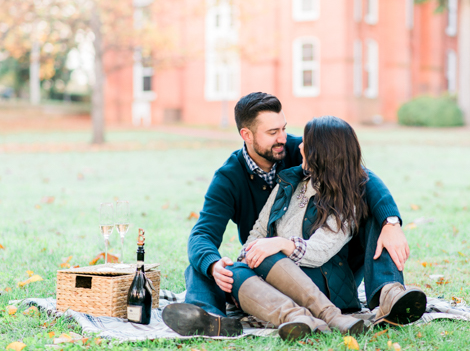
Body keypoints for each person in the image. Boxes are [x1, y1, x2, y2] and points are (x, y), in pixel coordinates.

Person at [163, 93, 426, 337]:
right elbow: (203, 233)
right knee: (205, 262)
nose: (284, 138)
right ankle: (209, 315)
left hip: (322, 261)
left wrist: (391, 220)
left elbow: (354, 172)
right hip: (269, 260)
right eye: (272, 132)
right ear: (247, 134)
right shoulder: (229, 179)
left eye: (284, 128)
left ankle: (388, 293)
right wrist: (213, 264)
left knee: (375, 213)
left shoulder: (298, 151)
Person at [224, 116, 373, 340]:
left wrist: (279, 244)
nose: (300, 146)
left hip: (324, 286)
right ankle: (299, 319)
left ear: (323, 151)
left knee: (267, 253)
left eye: (307, 142)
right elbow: (258, 232)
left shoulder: (346, 198)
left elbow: (320, 251)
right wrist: (249, 255)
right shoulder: (289, 183)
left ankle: (331, 316)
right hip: (276, 278)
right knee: (233, 272)